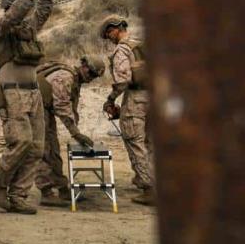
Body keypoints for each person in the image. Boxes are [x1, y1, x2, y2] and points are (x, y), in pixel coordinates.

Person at [0, 0, 54, 214]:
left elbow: (45, 10)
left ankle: (19, 195)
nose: (25, 14)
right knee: (21, 142)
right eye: (18, 9)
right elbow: (14, 15)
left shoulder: (28, 29)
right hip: (12, 93)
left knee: (36, 147)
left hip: (33, 92)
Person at [100, 15, 155, 206]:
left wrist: (110, 99)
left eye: (108, 34)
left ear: (114, 29)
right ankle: (149, 180)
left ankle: (149, 188)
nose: (109, 38)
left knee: (134, 141)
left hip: (136, 99)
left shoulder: (121, 50)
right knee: (149, 142)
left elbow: (122, 81)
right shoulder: (141, 46)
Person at [35, 55, 105, 205]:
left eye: (94, 76)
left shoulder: (75, 80)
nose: (91, 77)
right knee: (44, 150)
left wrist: (76, 130)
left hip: (45, 110)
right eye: (91, 73)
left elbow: (71, 108)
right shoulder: (66, 77)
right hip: (36, 109)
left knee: (53, 150)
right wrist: (75, 133)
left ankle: (62, 189)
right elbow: (61, 105)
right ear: (84, 66)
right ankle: (46, 192)